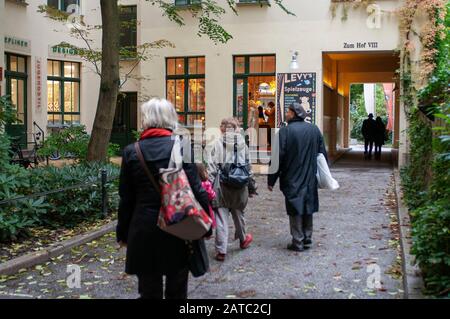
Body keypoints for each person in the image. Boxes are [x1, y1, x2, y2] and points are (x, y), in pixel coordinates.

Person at [116, 98, 210, 299]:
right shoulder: (182, 147)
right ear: (171, 119)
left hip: (143, 229)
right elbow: (197, 190)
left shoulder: (132, 151)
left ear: (147, 119)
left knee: (149, 290)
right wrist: (207, 224)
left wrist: (123, 233)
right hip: (178, 226)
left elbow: (126, 198)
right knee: (177, 288)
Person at [268, 103, 327, 252]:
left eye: (288, 111)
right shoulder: (314, 129)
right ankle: (307, 238)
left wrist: (271, 180)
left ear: (293, 113)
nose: (286, 114)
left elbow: (277, 157)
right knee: (308, 206)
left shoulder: (285, 132)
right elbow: (322, 154)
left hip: (291, 177)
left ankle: (298, 241)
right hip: (309, 176)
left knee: (295, 208)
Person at [207, 117, 256, 262]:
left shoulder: (216, 144)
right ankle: (243, 239)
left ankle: (221, 251)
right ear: (236, 129)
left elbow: (211, 168)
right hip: (240, 186)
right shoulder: (243, 145)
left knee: (221, 218)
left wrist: (209, 187)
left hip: (222, 185)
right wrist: (252, 186)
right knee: (238, 214)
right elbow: (249, 168)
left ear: (222, 129)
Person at [196, 163, 217, 230]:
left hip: (196, 206)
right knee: (206, 222)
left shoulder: (194, 184)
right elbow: (212, 195)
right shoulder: (206, 183)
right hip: (206, 206)